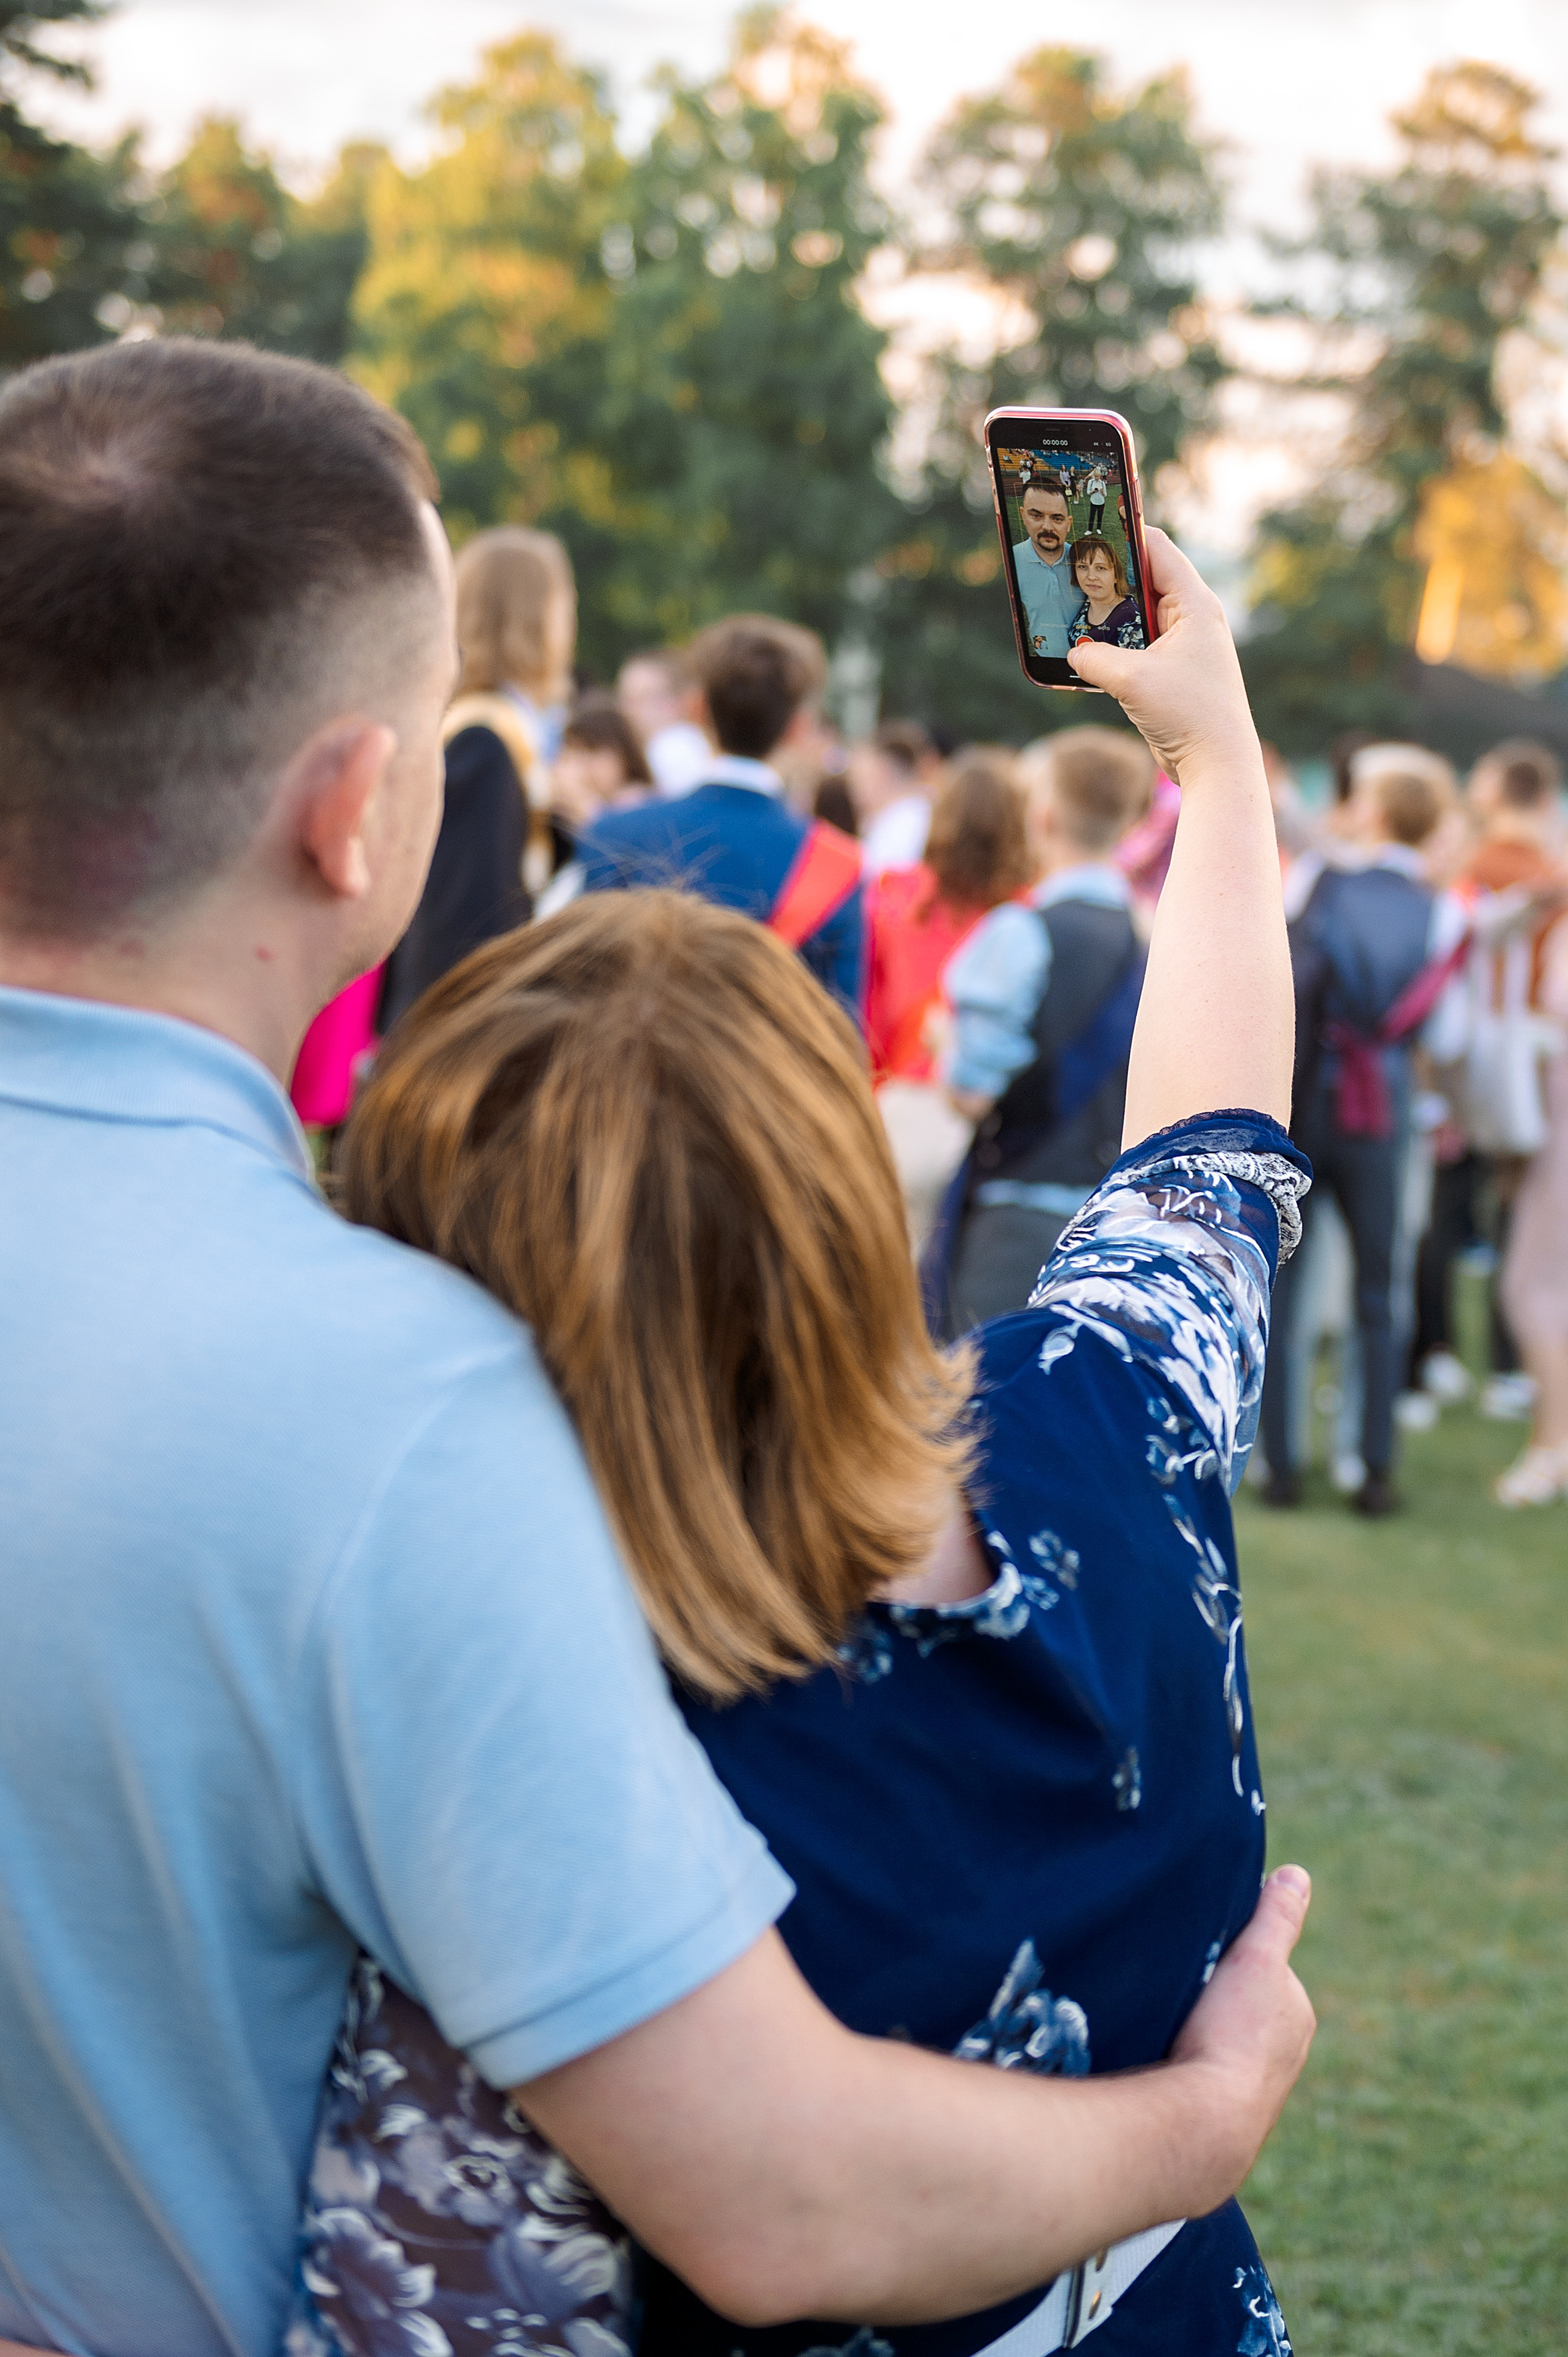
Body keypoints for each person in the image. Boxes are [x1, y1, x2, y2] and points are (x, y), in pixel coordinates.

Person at [0, 338, 1315, 2357]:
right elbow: (1207, 1143)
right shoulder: (1072, 1425)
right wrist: (1213, 765)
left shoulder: (536, 1552)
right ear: (363, 810)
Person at [1261, 755, 1467, 1516]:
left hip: (1309, 1101)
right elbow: (1446, 1037)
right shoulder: (1444, 913)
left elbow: (1285, 977)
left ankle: (1278, 1461)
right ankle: (1369, 1463)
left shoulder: (1319, 879)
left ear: (1374, 813)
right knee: (1379, 1288)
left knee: (1287, 1282)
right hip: (1383, 1105)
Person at [929, 726, 1155, 1335]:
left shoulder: (1019, 933)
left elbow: (970, 1092)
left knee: (981, 1409)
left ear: (1044, 816)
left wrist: (943, 1043)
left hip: (1020, 1211)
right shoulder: (1154, 938)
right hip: (1120, 1219)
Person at [566, 613, 864, 1014]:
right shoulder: (837, 867)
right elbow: (841, 1036)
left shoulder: (614, 834)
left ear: (697, 708)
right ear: (798, 727)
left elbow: (579, 998)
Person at [378, 527, 573, 1032]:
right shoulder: (483, 739)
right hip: (462, 1025)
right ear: (530, 614)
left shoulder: (491, 726)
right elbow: (464, 919)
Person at [867, 752, 1033, 1250]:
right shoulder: (1028, 913)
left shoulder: (891, 895)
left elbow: (868, 1014)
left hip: (897, 1102)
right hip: (980, 1116)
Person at [549, 692, 653, 835]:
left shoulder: (642, 804)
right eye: (570, 753)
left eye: (591, 750)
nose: (579, 766)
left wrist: (588, 810)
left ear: (624, 754)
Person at [617, 646, 713, 798]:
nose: (629, 710)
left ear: (676, 702)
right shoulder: (693, 744)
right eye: (626, 698)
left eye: (644, 697)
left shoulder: (671, 746)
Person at [849, 719, 938, 877]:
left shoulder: (900, 828)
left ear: (881, 772)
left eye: (859, 778)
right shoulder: (917, 816)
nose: (854, 791)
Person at [1011, 474, 1087, 658]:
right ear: (1023, 515)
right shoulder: (1011, 560)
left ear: (1069, 524)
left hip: (1088, 661)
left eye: (1057, 519)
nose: (1047, 527)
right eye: (1036, 516)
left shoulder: (1084, 561)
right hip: (1043, 660)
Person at [1066, 534, 1147, 652]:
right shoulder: (1086, 603)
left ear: (1115, 576)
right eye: (1083, 567)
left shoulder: (1133, 623)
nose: (1091, 577)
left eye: (1101, 568)